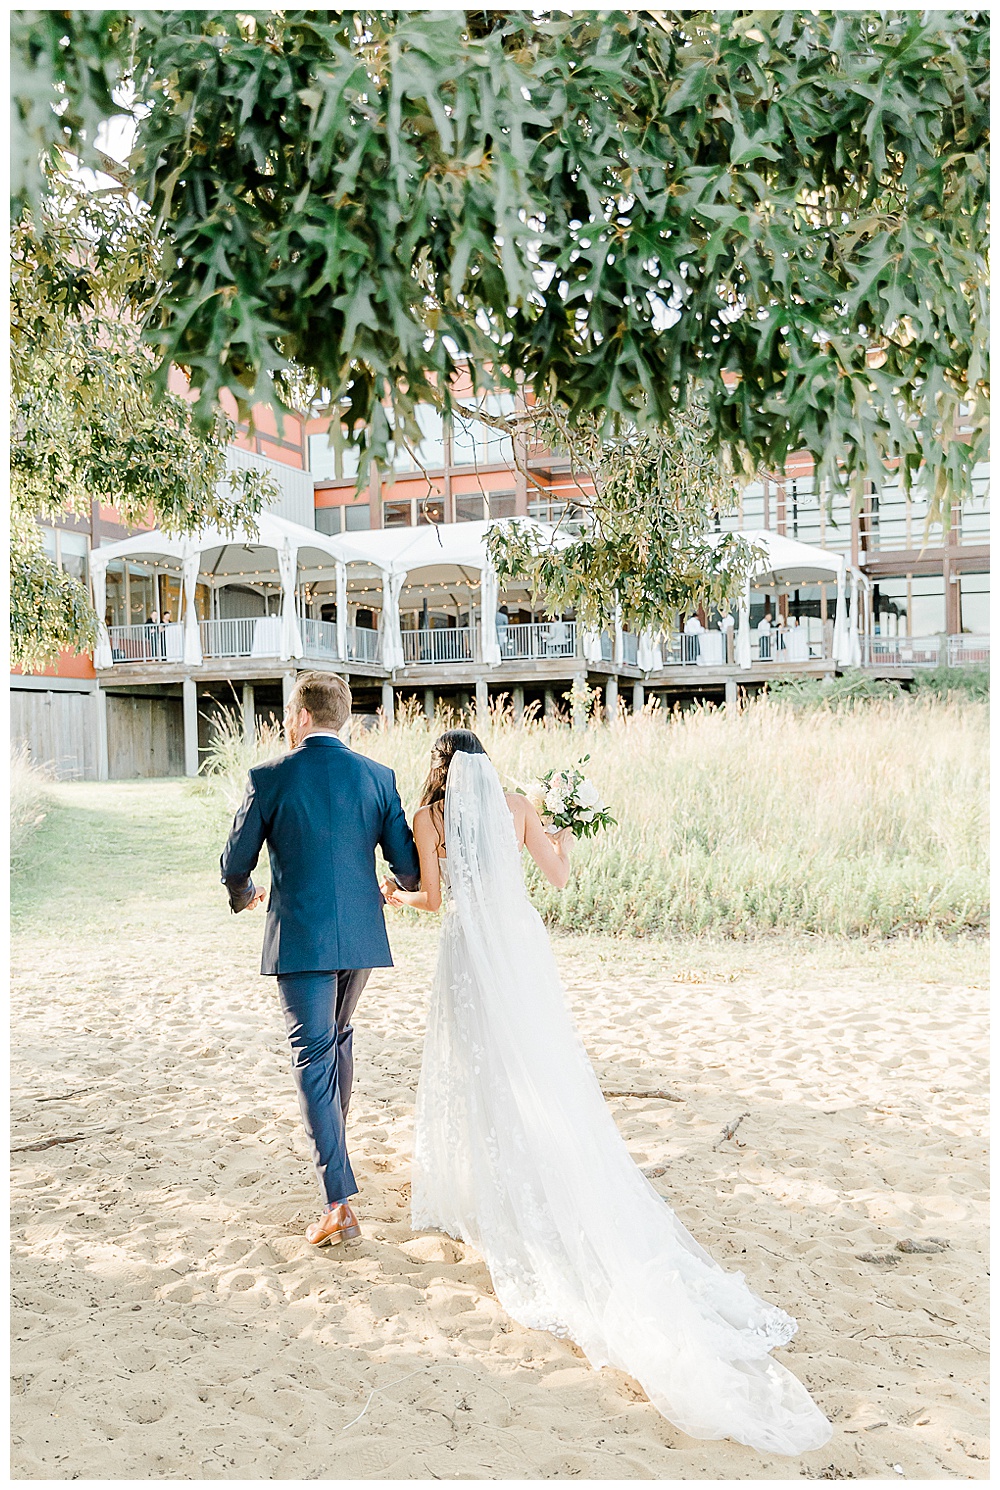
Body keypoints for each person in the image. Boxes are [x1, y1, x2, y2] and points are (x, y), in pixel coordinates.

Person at [382, 732, 832, 1456]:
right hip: (519, 947)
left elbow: (434, 901)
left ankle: (485, 1183)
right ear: (488, 764)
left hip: (470, 951)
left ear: (439, 768)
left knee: (481, 1067)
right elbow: (558, 879)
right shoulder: (519, 804)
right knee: (533, 1060)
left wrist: (394, 895)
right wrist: (562, 833)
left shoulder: (428, 818)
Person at [220, 671, 420, 1248]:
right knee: (337, 1038)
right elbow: (406, 866)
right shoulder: (378, 777)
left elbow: (236, 862)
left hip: (301, 938)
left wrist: (245, 895)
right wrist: (392, 888)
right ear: (344, 718)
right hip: (358, 937)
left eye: (288, 715)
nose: (285, 724)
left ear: (302, 716)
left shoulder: (269, 777)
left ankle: (338, 1200)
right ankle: (335, 1142)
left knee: (312, 1053)